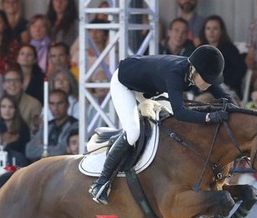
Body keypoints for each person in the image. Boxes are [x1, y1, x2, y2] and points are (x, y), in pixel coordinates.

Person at [89, 45, 232, 204]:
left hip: (151, 89)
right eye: (207, 79)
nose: (209, 84)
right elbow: (180, 113)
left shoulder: (195, 71)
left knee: (171, 124)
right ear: (195, 70)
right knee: (134, 132)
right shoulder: (176, 73)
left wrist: (238, 112)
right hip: (125, 83)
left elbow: (224, 96)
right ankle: (101, 183)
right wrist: (209, 117)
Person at [198, 15, 246, 99]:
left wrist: (228, 84)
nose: (211, 32)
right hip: (203, 92)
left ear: (221, 31)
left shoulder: (230, 49)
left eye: (215, 29)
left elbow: (240, 69)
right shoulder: (199, 49)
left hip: (226, 93)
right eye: (208, 28)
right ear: (204, 31)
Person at [25, 88, 77, 161]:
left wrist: (42, 146)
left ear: (67, 105)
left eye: (60, 103)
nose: (56, 108)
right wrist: (54, 148)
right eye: (52, 104)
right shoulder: (47, 126)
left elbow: (62, 150)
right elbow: (29, 151)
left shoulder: (75, 125)